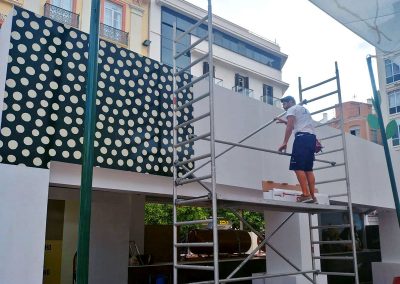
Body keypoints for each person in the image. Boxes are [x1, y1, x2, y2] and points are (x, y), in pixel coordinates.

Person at [276, 96, 317, 203]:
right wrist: (284, 121)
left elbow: (290, 127)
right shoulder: (304, 110)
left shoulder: (292, 109)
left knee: (297, 167)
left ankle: (306, 194)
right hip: (311, 138)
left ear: (290, 102)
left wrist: (285, 142)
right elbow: (297, 125)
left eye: (284, 103)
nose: (283, 106)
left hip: (301, 138)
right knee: (308, 169)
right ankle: (313, 197)